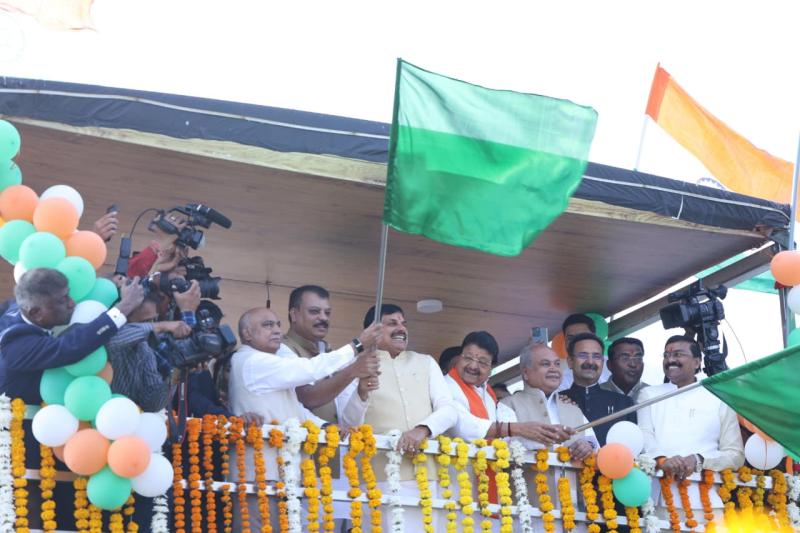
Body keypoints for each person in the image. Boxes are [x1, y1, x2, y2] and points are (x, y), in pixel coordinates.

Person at [228, 306, 381, 532]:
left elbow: (295, 410)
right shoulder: (251, 361)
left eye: (278, 324)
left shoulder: (269, 362)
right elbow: (309, 369)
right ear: (247, 334)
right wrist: (357, 346)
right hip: (259, 475)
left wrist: (326, 427)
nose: (276, 330)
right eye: (267, 325)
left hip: (283, 474)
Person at [337, 303, 458, 533]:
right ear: (372, 331)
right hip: (379, 478)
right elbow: (347, 423)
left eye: (403, 323)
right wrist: (361, 392)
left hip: (427, 475)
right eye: (392, 323)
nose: (401, 329)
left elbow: (449, 410)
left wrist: (423, 429)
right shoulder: (355, 366)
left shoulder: (426, 362)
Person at [0, 268, 144, 404]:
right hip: (17, 419)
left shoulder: (16, 307)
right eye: (62, 300)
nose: (72, 303)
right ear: (36, 313)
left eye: (68, 294)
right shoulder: (14, 345)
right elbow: (71, 346)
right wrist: (125, 306)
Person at [638, 335, 744, 512]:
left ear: (696, 362)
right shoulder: (649, 395)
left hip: (708, 502)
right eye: (666, 355)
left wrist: (698, 459)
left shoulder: (718, 397)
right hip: (659, 500)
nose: (670, 360)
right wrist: (662, 459)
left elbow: (735, 455)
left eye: (678, 354)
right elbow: (644, 435)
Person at [445, 331, 572, 444]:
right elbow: (462, 425)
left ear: (491, 368)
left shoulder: (488, 392)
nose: (473, 366)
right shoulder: (446, 385)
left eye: (482, 362)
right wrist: (517, 428)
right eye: (468, 358)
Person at [563, 332, 636, 446]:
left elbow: (633, 446)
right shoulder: (557, 401)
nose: (590, 362)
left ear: (602, 362)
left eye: (596, 356)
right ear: (570, 362)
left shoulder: (624, 403)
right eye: (583, 355)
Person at [558, 313, 611, 391]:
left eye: (582, 337)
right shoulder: (560, 380)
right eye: (570, 339)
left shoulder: (613, 367)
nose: (576, 343)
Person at [600, 337, 650, 402]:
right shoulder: (595, 394)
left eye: (638, 358)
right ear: (609, 365)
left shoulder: (654, 395)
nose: (633, 364)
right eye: (625, 358)